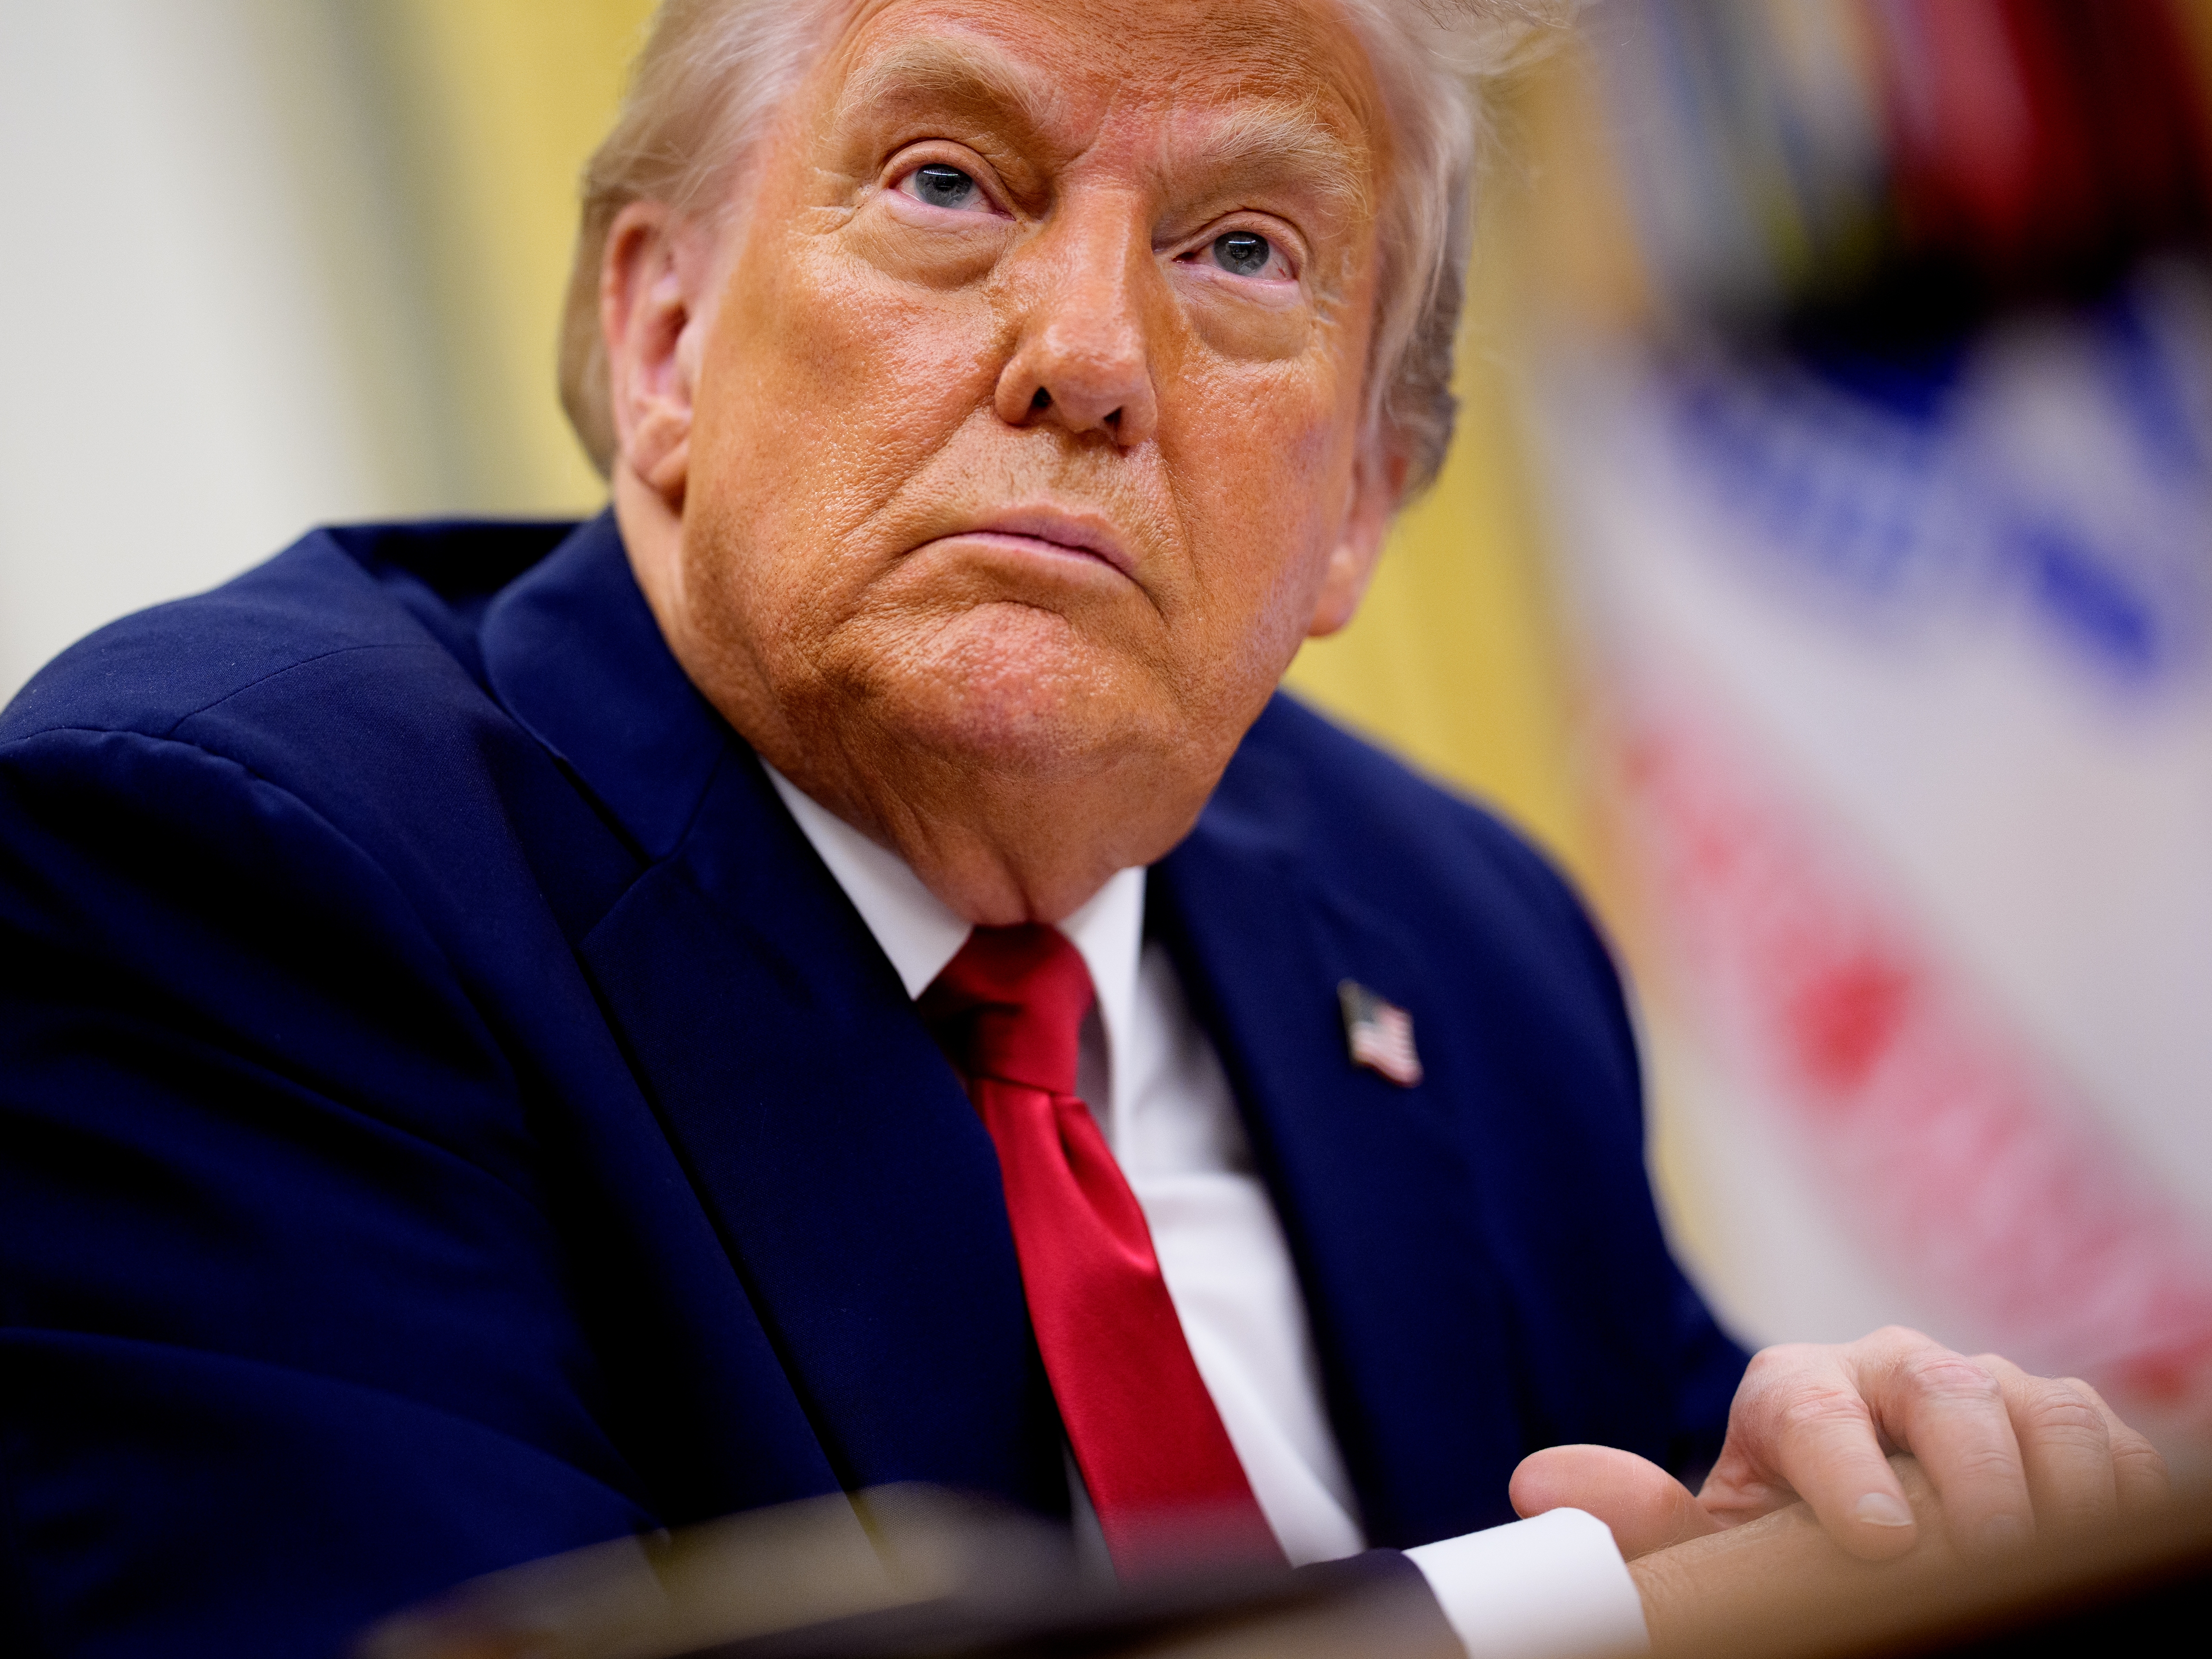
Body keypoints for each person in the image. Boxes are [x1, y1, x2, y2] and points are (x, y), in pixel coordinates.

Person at [0, 1, 2168, 1655]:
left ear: (1358, 518)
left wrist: (1864, 1502)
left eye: (1242, 246)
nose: (1089, 354)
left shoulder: (1460, 936)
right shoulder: (236, 870)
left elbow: (1698, 1526)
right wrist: (1566, 1610)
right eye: (949, 182)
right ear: (661, 336)